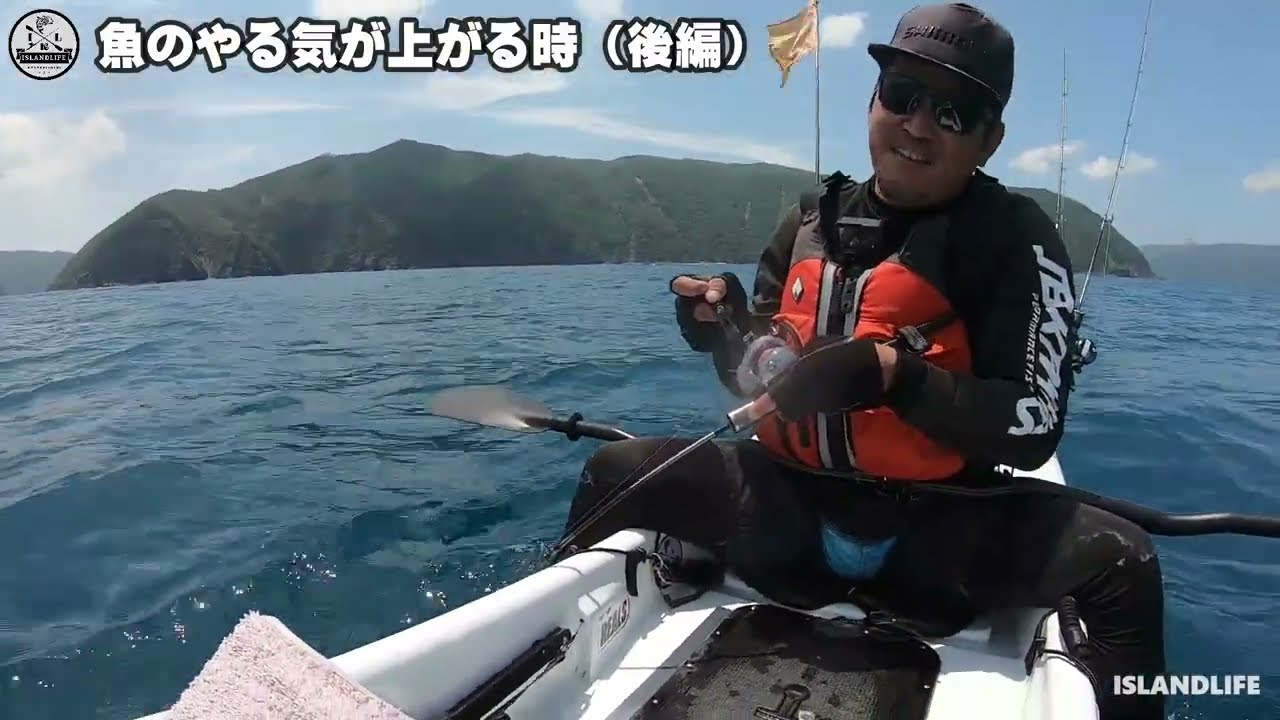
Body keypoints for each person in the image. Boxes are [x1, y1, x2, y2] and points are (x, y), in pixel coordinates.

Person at [555, 4, 1165, 718]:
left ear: (990, 140)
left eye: (953, 112)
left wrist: (894, 377)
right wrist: (720, 330)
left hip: (938, 544)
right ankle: (553, 657)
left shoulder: (1014, 242)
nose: (917, 125)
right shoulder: (809, 218)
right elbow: (761, 372)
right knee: (613, 473)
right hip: (780, 516)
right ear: (873, 100)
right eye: (902, 97)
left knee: (1123, 564)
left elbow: (1032, 430)